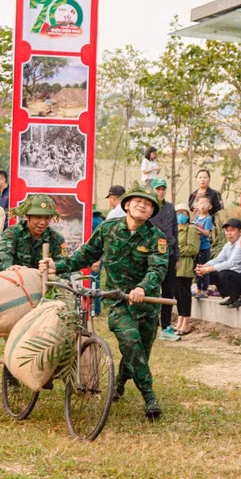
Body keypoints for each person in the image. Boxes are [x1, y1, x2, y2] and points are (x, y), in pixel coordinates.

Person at [42, 184, 168, 420]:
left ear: (152, 212)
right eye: (137, 201)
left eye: (148, 204)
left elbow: (157, 269)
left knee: (139, 353)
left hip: (147, 304)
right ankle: (150, 397)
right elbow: (85, 255)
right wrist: (56, 266)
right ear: (127, 204)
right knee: (131, 342)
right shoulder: (108, 229)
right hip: (117, 301)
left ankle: (120, 382)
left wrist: (142, 287)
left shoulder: (156, 238)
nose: (143, 205)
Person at [197, 218, 241, 309]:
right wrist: (204, 266)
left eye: (232, 230)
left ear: (240, 232)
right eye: (227, 230)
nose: (229, 233)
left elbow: (230, 263)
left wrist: (207, 269)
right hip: (239, 277)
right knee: (215, 272)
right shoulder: (228, 244)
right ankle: (233, 297)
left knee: (223, 273)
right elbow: (218, 259)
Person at [0, 193, 65, 270]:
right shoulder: (13, 233)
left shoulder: (56, 239)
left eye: (47, 218)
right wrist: (9, 267)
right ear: (28, 216)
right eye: (38, 217)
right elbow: (3, 254)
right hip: (17, 278)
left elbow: (63, 264)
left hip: (43, 279)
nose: (43, 222)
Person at [149, 178, 181, 336]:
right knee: (152, 289)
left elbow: (175, 232)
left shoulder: (170, 208)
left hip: (170, 253)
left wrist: (177, 257)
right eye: (158, 189)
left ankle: (166, 325)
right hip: (153, 255)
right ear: (153, 190)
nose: (161, 191)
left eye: (163, 189)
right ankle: (151, 323)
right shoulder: (149, 208)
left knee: (169, 291)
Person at [174, 203, 198, 336]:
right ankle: (180, 319)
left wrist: (177, 250)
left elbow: (193, 248)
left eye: (183, 213)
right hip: (175, 267)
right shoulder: (175, 229)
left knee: (184, 294)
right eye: (178, 213)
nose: (180, 216)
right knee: (177, 294)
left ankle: (186, 322)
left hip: (185, 265)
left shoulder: (191, 229)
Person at [191, 196, 214, 298]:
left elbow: (207, 233)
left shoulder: (208, 218)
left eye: (205, 204)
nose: (203, 206)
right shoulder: (196, 217)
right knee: (197, 268)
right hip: (196, 247)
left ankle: (204, 290)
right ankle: (199, 289)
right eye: (201, 203)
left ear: (210, 206)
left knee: (204, 268)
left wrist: (196, 228)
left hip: (204, 247)